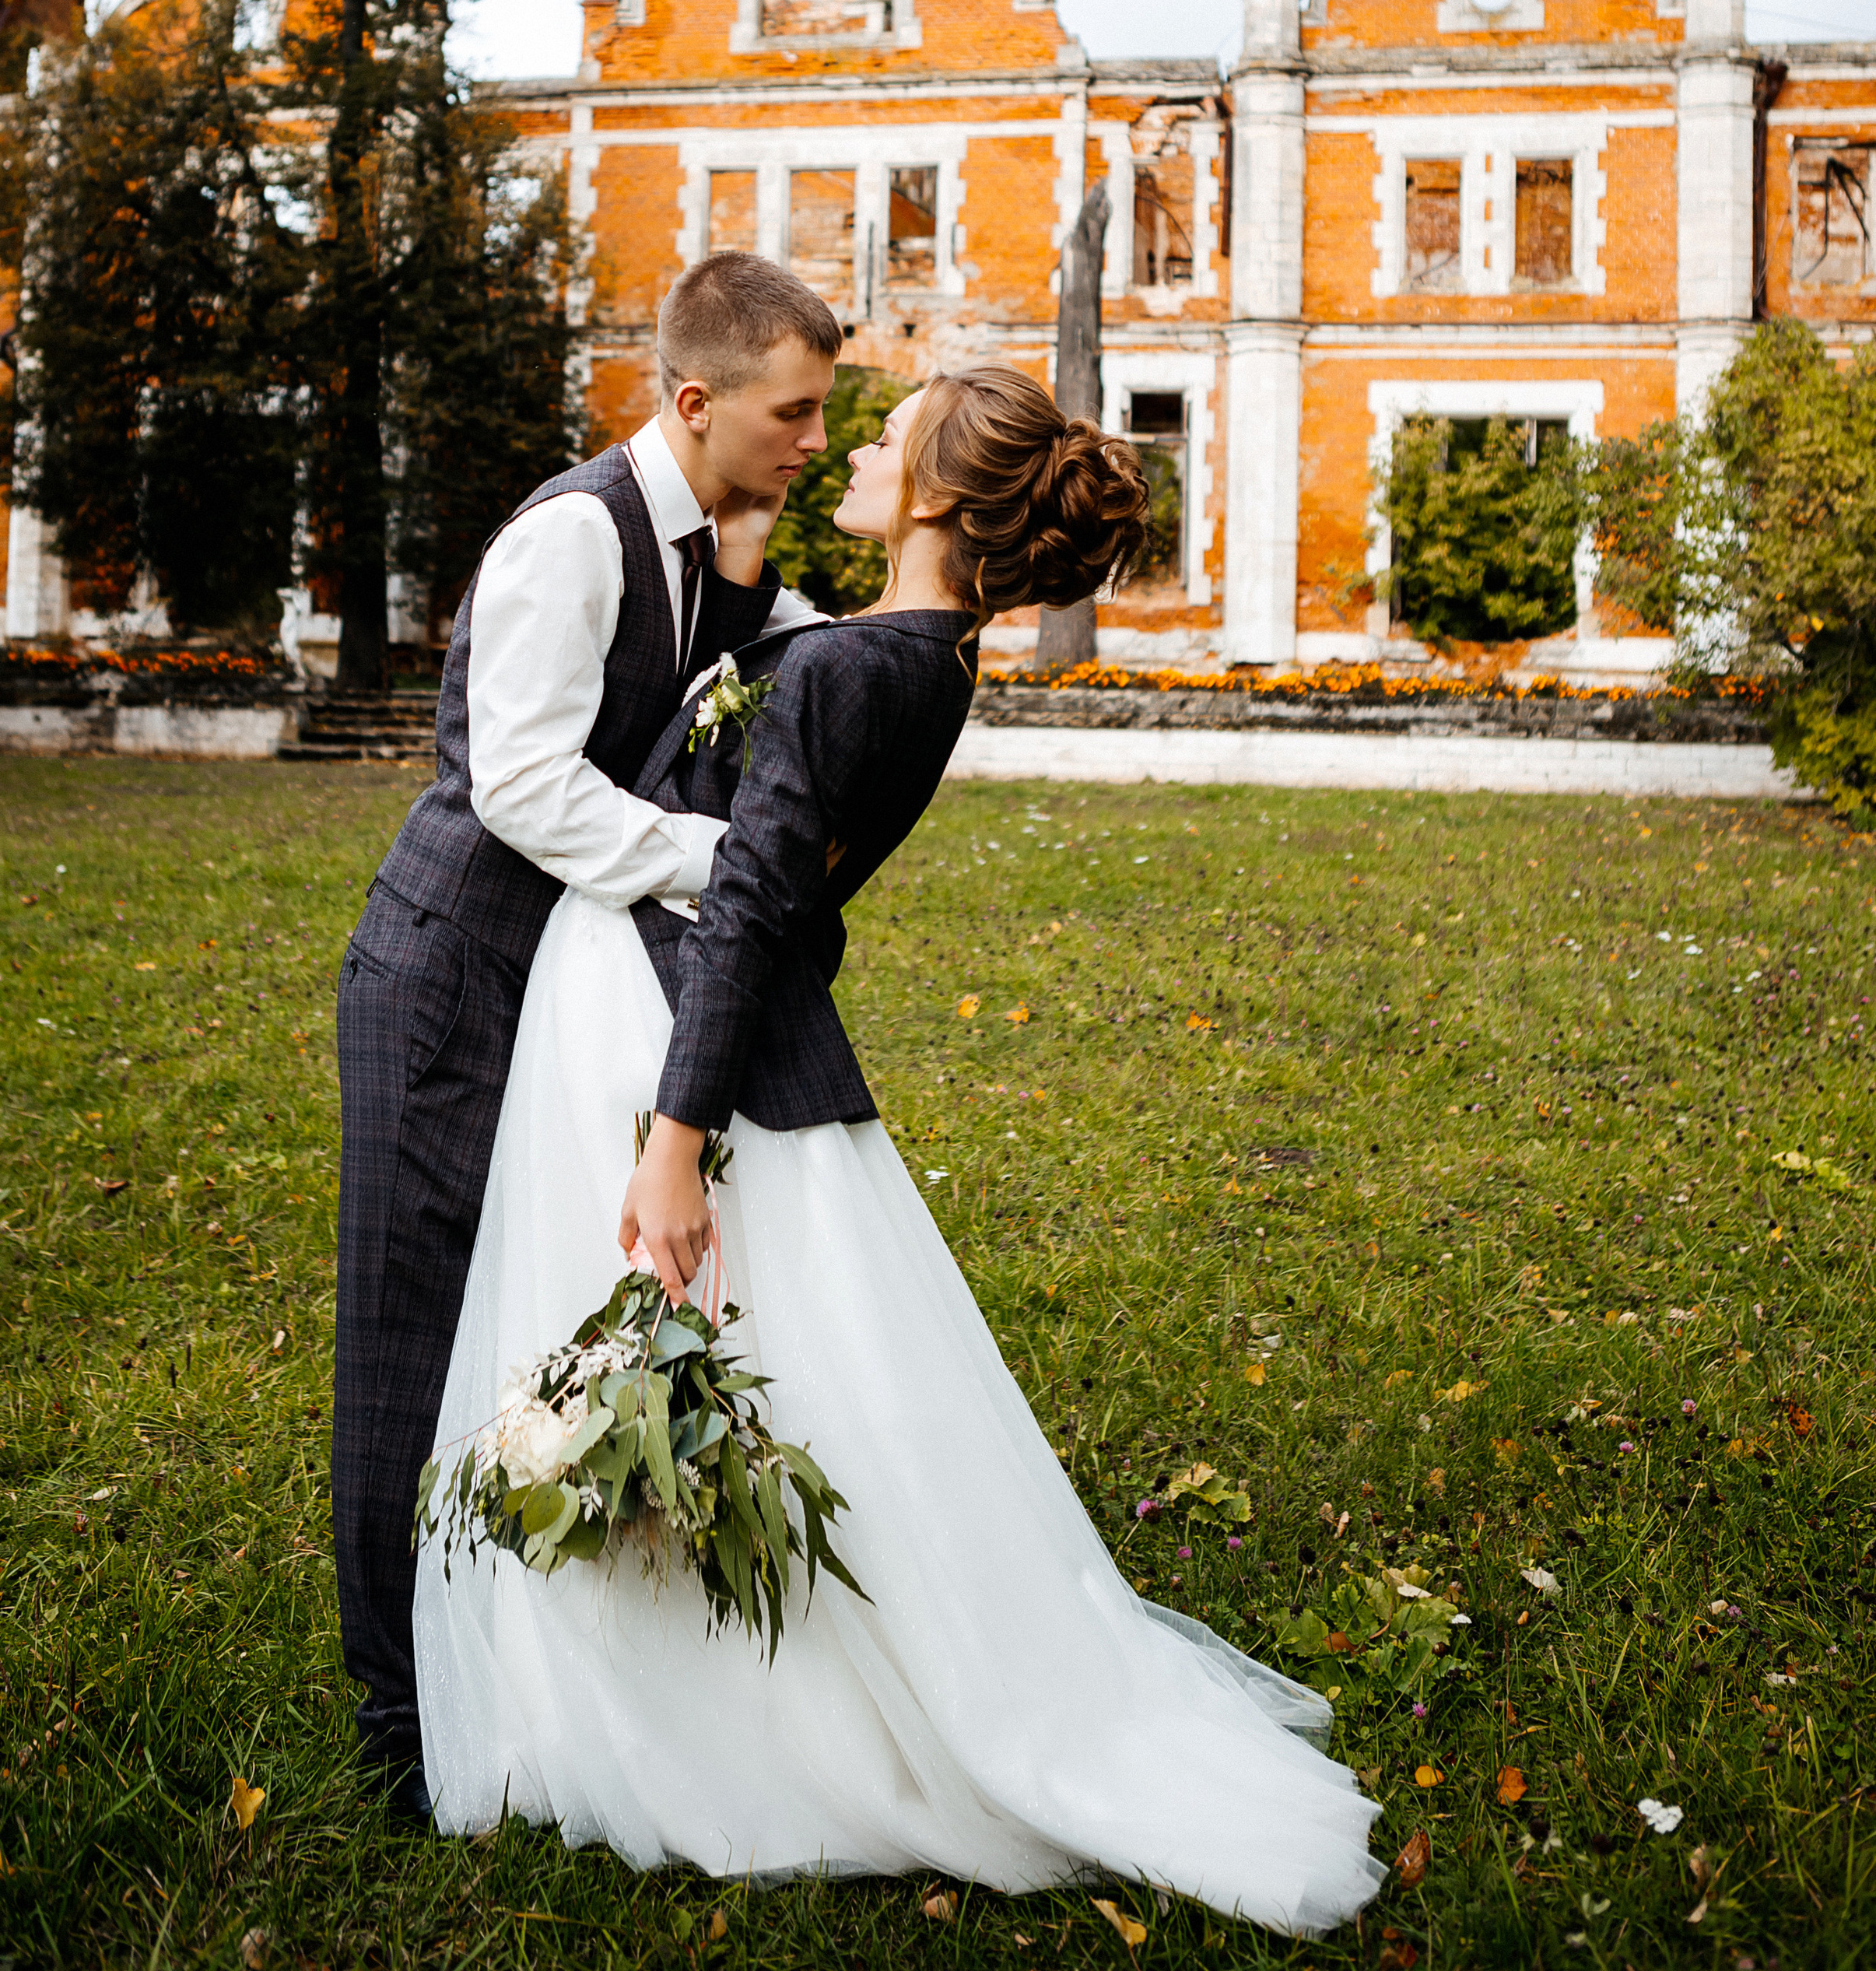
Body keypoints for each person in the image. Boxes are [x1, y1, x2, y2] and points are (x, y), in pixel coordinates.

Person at [412, 368, 1387, 1934]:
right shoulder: (910, 653)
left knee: (720, 1369)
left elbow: (752, 906)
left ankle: (738, 1725)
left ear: (937, 489)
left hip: (666, 1031)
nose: (853, 441)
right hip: (660, 1001)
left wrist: (674, 1142)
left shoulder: (857, 669)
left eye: (885, 430)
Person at [333, 251, 841, 1821]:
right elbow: (527, 785)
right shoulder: (572, 537)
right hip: (447, 974)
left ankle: (519, 1651)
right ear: (695, 403)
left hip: (565, 986)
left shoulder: (718, 539)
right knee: (407, 1347)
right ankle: (399, 1725)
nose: (815, 441)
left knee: (530, 1311)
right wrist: (730, 872)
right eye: (795, 414)